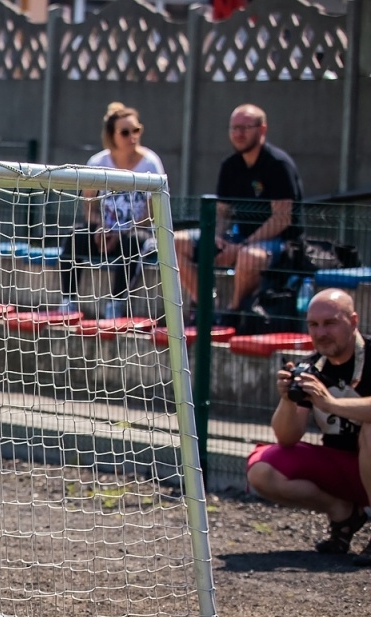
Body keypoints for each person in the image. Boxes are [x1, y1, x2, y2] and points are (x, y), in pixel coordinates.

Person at [246, 289, 371, 558]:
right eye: (313, 325)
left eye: (330, 323)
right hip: (344, 467)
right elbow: (287, 438)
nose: (321, 333)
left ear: (353, 321)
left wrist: (331, 404)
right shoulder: (310, 368)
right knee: (262, 469)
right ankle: (343, 512)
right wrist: (287, 400)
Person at [174, 104, 303, 319]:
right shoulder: (230, 166)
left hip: (280, 242)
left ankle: (233, 313)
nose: (238, 134)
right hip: (238, 238)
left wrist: (241, 246)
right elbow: (223, 212)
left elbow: (282, 218)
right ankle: (206, 307)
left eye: (245, 127)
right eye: (233, 128)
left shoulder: (278, 165)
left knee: (248, 257)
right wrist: (217, 237)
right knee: (175, 241)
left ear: (262, 130)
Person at [60, 103, 165, 319]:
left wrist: (121, 232)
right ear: (111, 135)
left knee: (132, 242)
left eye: (136, 131)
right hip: (105, 232)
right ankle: (68, 301)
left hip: (138, 232)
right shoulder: (97, 162)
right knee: (76, 236)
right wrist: (101, 227)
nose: (132, 137)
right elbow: (89, 207)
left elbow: (152, 213)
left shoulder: (150, 163)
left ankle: (115, 305)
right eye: (125, 132)